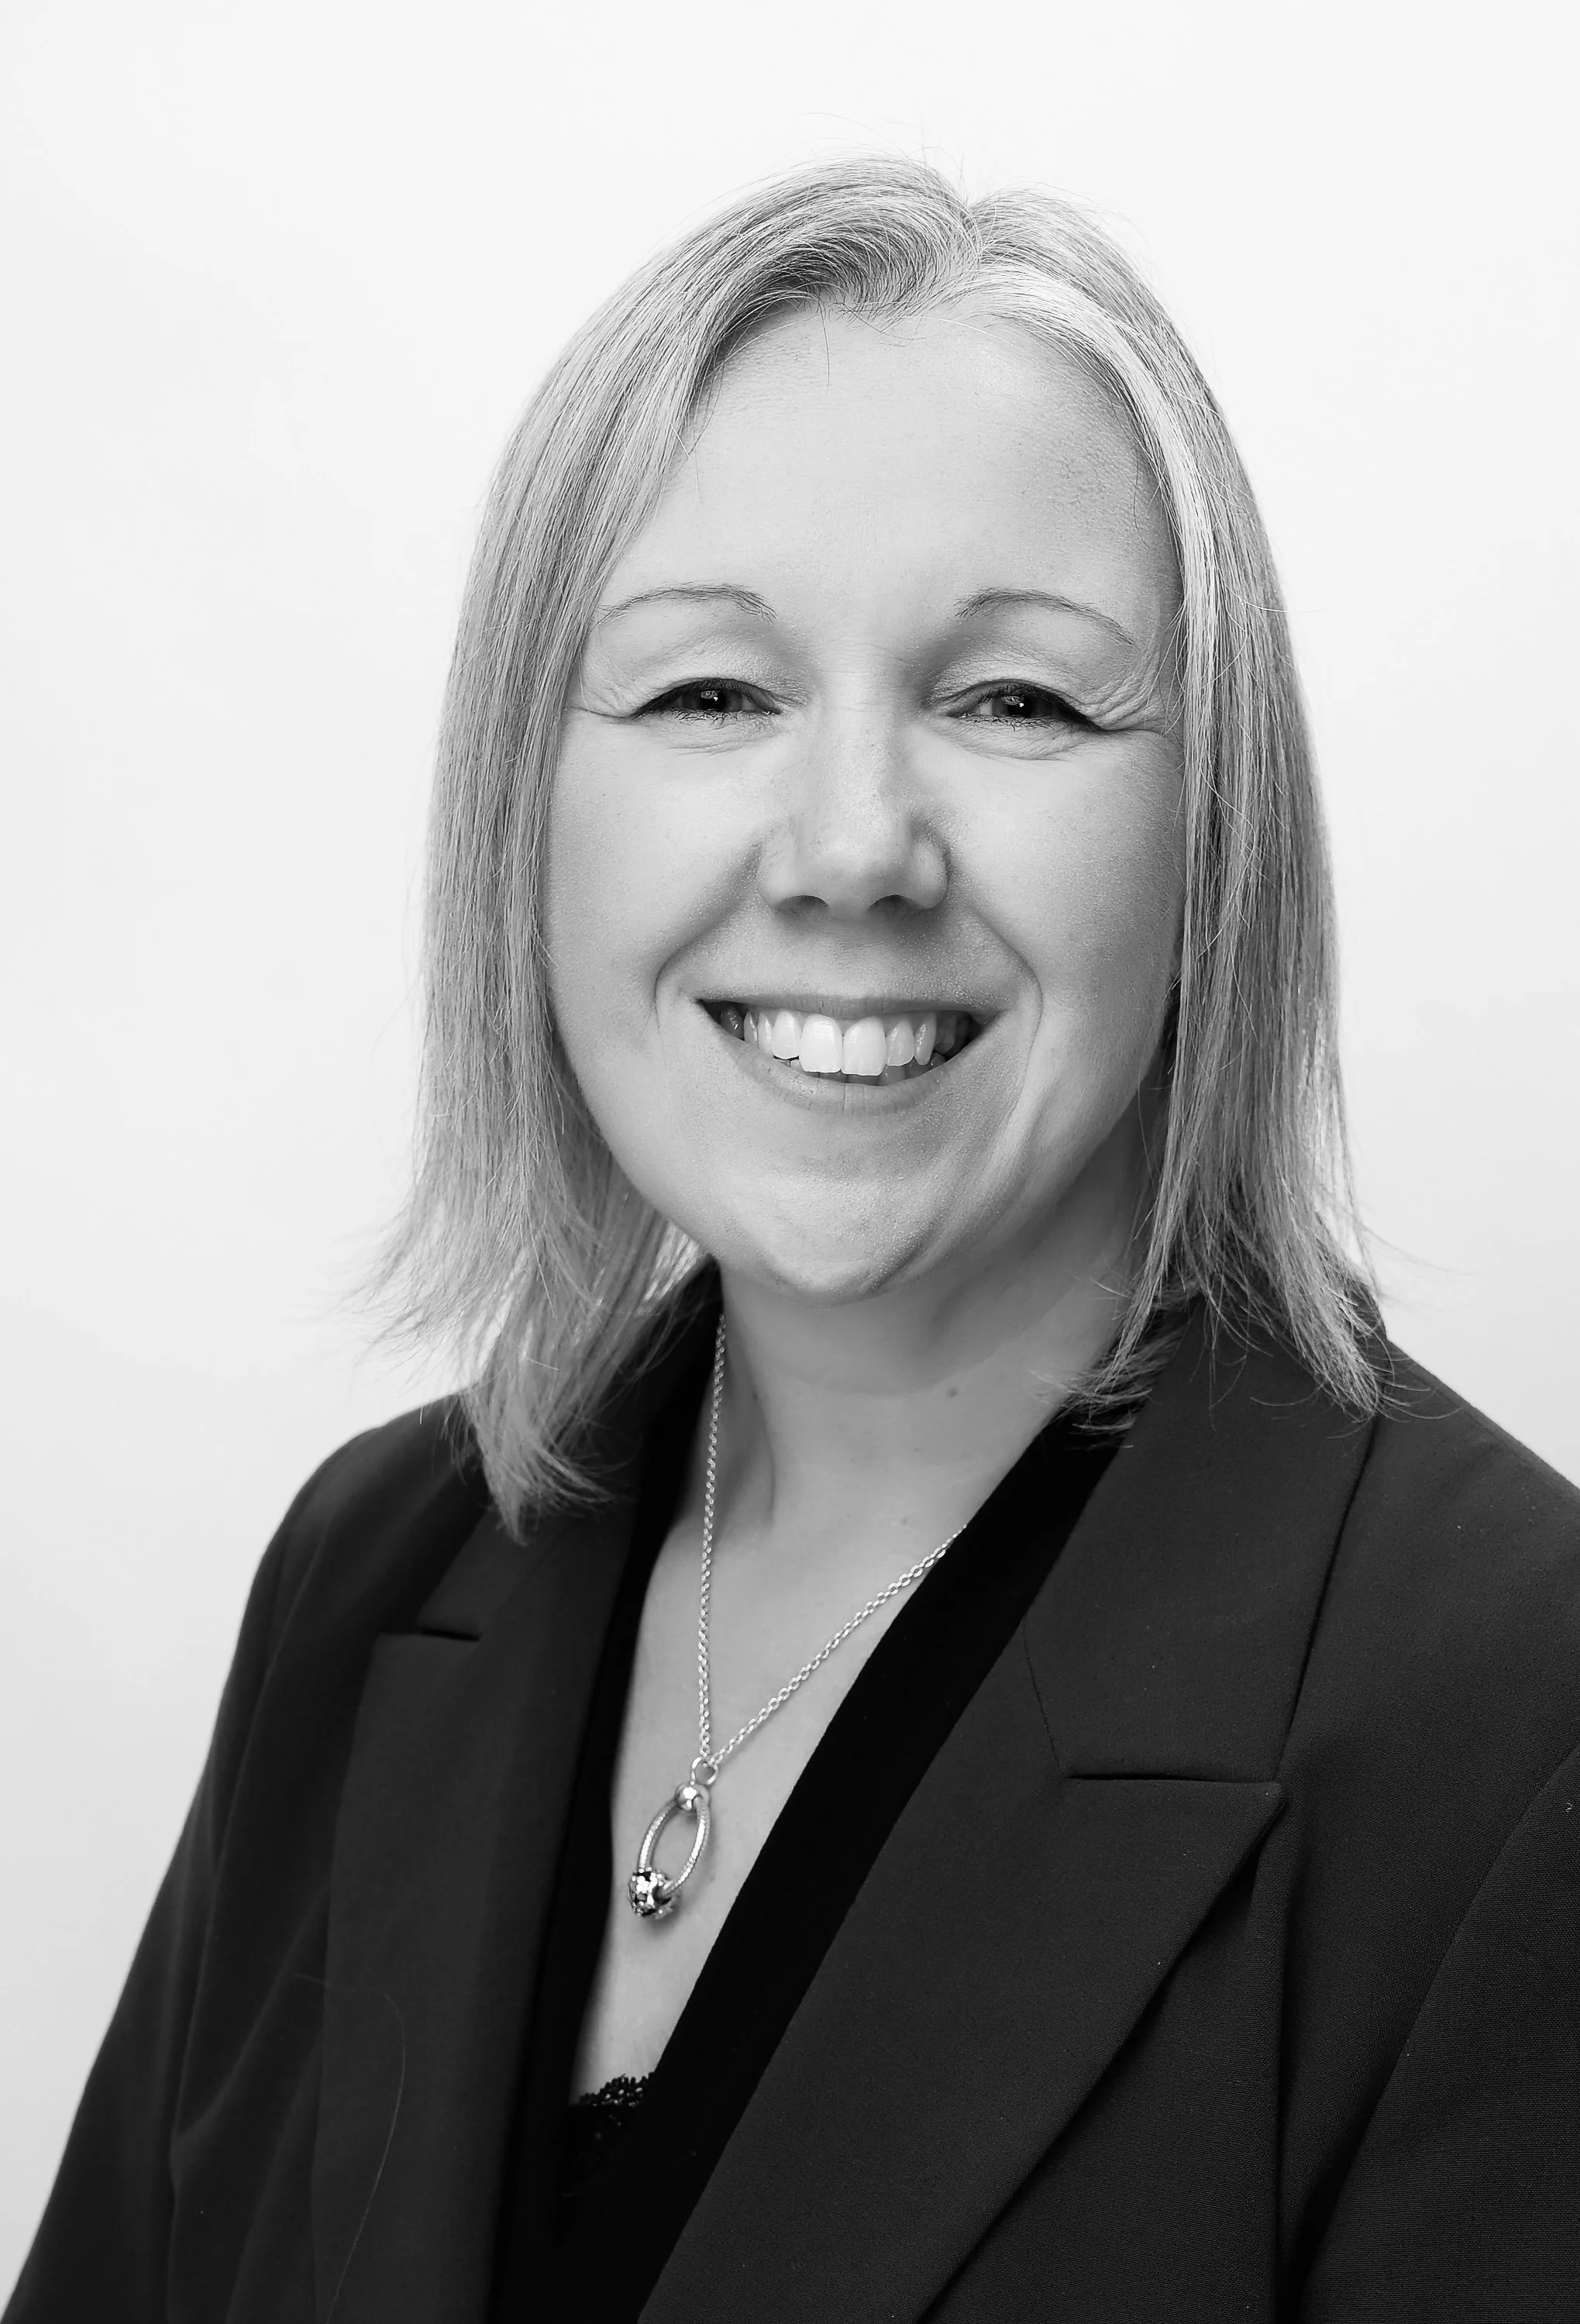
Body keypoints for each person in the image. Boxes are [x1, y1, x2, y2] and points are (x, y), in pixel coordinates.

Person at [9, 157, 1578, 2324]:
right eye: (708, 695)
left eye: (1015, 697)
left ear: (1210, 826)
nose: (849, 847)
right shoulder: (371, 1575)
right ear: (518, 818)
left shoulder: (1512, 1720)